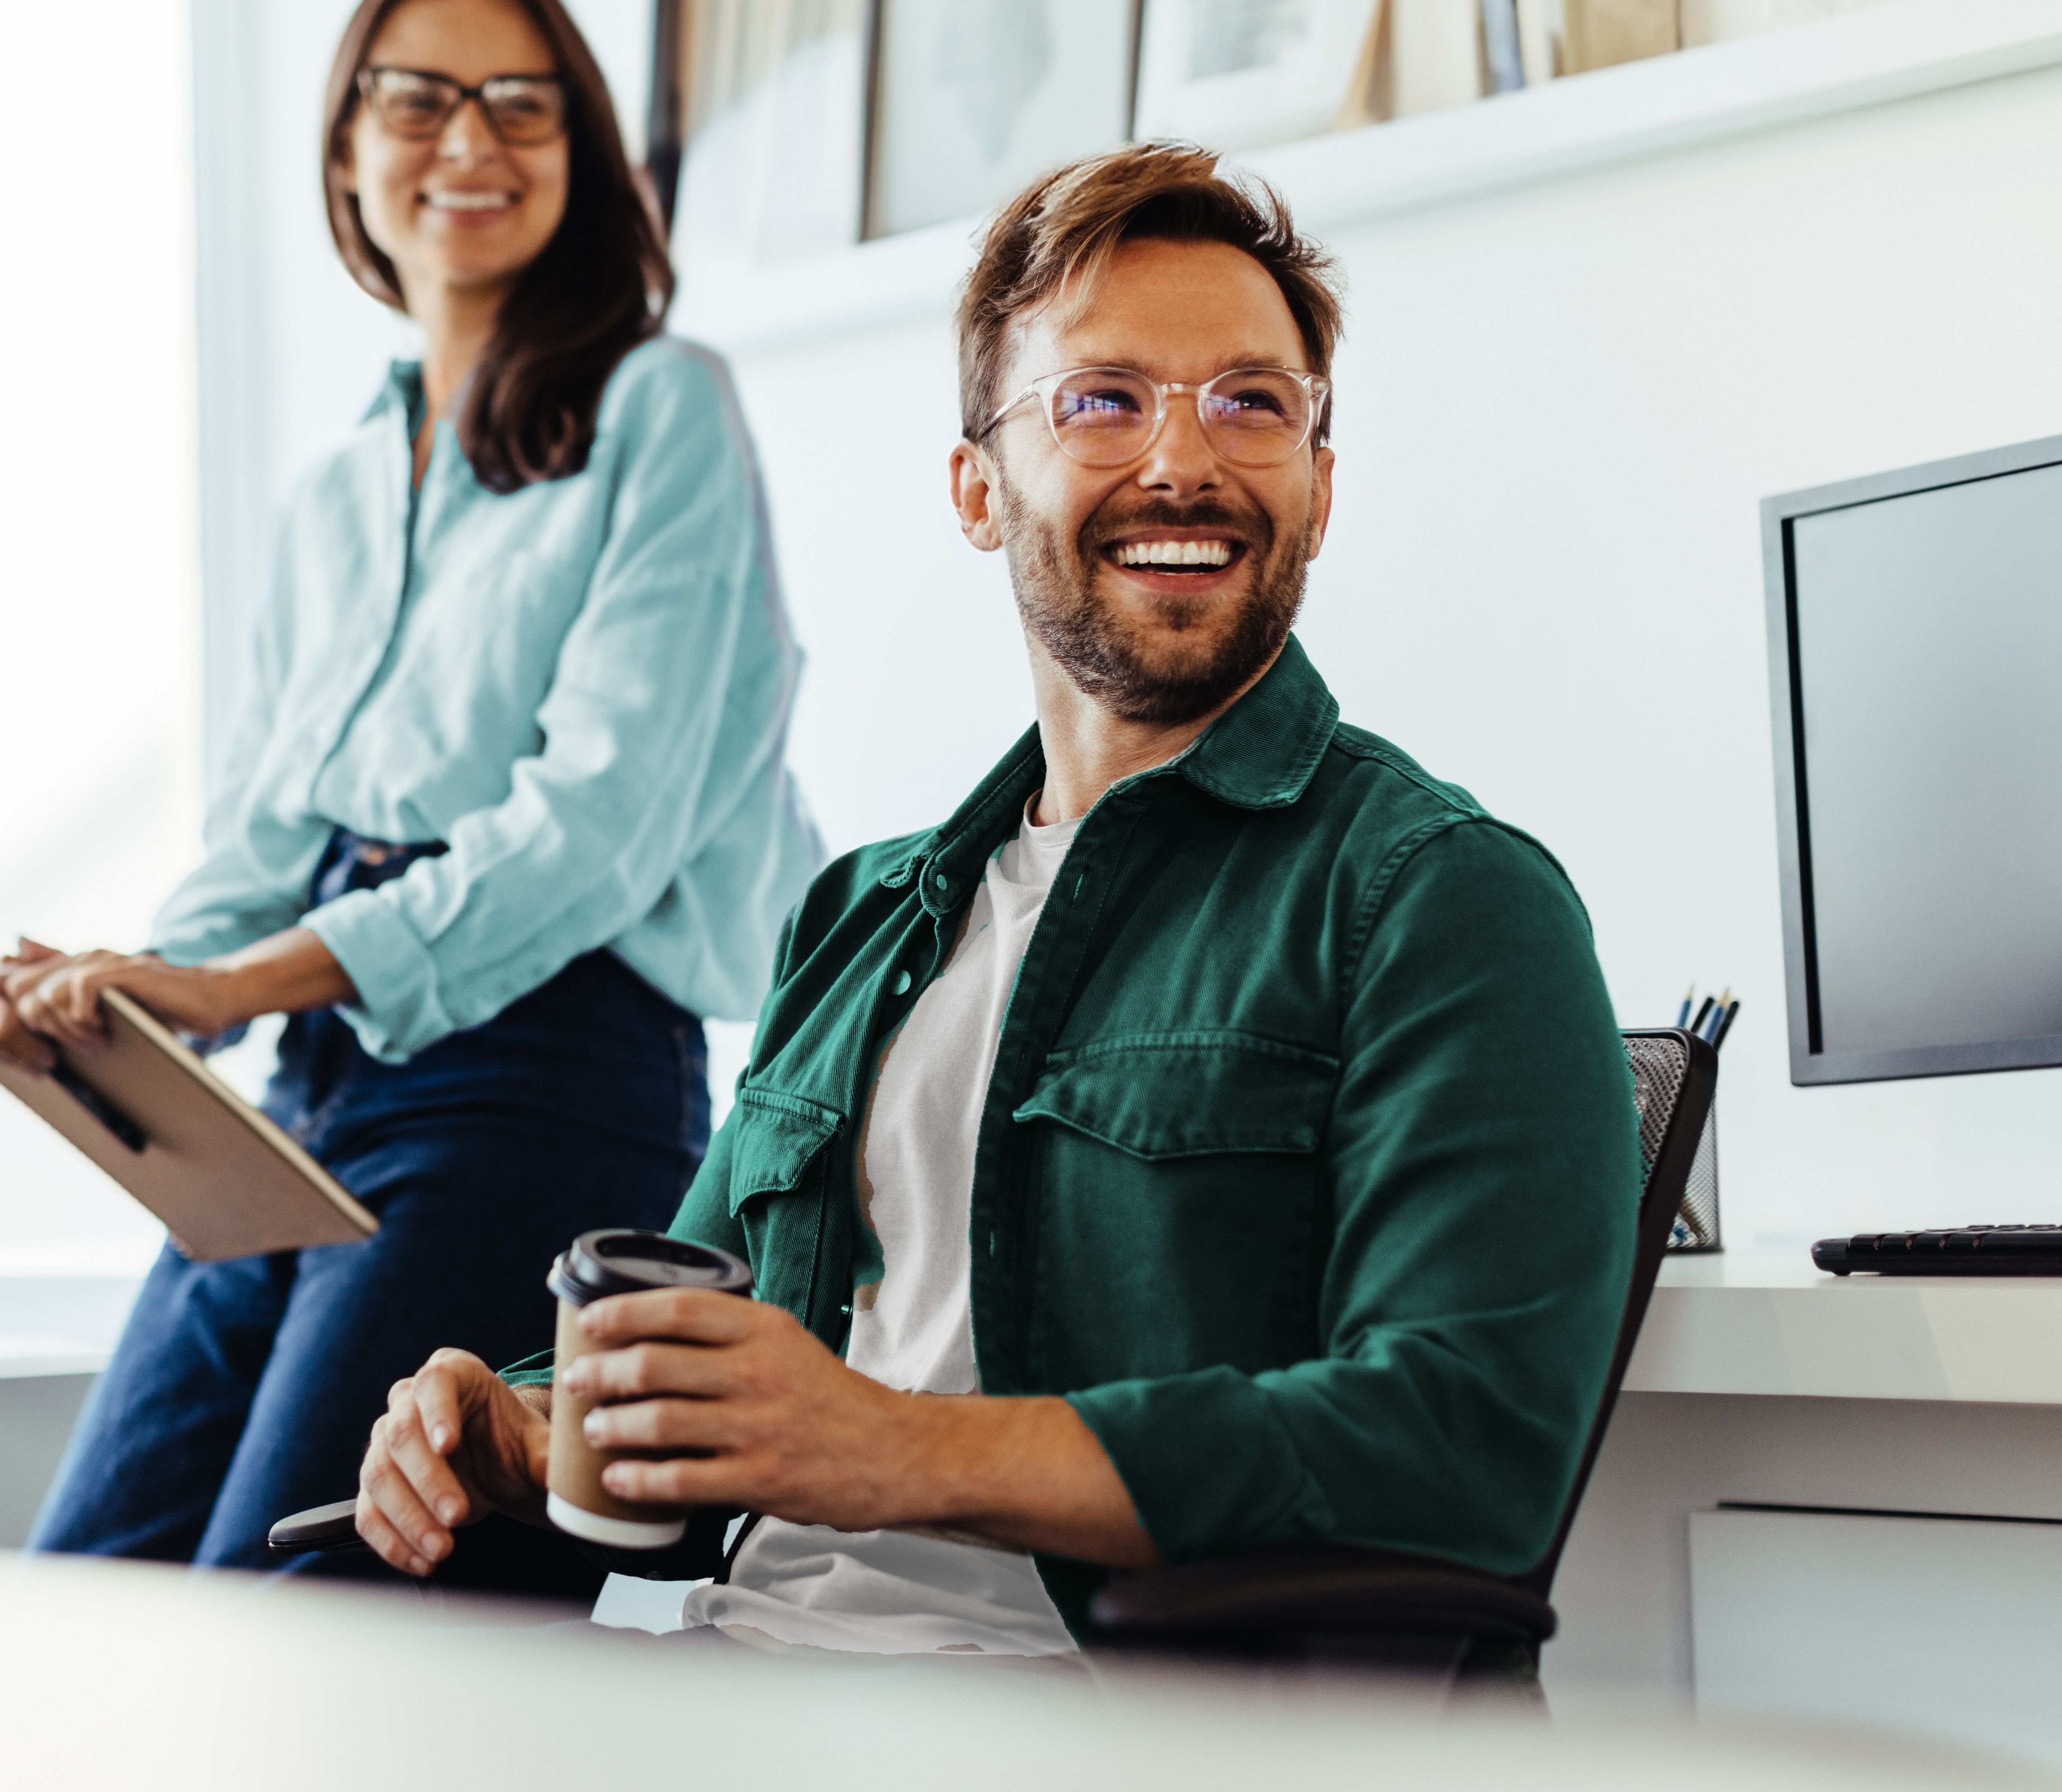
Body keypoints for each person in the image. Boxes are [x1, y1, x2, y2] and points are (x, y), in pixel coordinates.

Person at [348, 144, 1642, 1658]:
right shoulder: (860, 916)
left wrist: (891, 1447)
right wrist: (517, 1423)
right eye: (1103, 400)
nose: (1185, 461)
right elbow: (703, 1387)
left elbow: (1459, 1454)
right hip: (725, 1682)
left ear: (1320, 485)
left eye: (1252, 402)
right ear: (979, 487)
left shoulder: (1443, 901)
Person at [0, 0, 815, 1572]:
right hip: (313, 1088)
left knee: (284, 1603)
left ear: (579, 148)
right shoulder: (337, 486)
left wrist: (229, 988)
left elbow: (592, 836)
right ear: (345, 147)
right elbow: (265, 835)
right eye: (415, 97)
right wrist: (98, 1000)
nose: (465, 141)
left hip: (537, 1086)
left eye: (519, 102)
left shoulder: (662, 409)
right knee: (81, 1579)